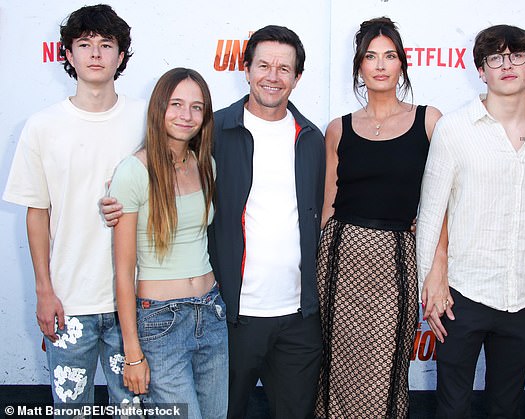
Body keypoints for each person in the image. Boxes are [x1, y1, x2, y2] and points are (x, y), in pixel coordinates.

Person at [102, 25, 325, 419]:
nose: (273, 76)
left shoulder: (311, 138)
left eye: (284, 68)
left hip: (296, 318)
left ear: (297, 77)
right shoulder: (214, 133)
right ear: (246, 69)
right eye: (264, 65)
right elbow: (154, 172)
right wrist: (116, 201)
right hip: (231, 314)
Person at [2, 4, 145, 410]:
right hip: (68, 304)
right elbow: (37, 213)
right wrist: (43, 291)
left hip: (132, 304)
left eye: (106, 44)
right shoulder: (41, 126)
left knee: (132, 411)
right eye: (84, 44)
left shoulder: (145, 118)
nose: (95, 53)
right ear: (67, 54)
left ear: (121, 55)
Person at [416, 25, 525, 418]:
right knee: (452, 406)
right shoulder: (454, 129)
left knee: (507, 406)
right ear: (481, 70)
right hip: (462, 293)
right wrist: (432, 284)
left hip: (524, 294)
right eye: (495, 57)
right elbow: (431, 212)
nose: (506, 65)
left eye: (517, 56)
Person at [315, 17, 441, 418]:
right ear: (359, 67)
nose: (381, 65)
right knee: (336, 366)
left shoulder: (429, 121)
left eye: (390, 56)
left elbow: (448, 196)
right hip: (340, 260)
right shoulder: (338, 129)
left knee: (386, 370)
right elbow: (328, 204)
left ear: (403, 64)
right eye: (371, 57)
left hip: (397, 259)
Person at [108, 68, 228, 418]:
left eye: (196, 106)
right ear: (159, 107)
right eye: (176, 104)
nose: (186, 115)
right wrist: (133, 353)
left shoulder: (206, 165)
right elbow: (123, 272)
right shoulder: (134, 171)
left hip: (211, 312)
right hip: (160, 323)